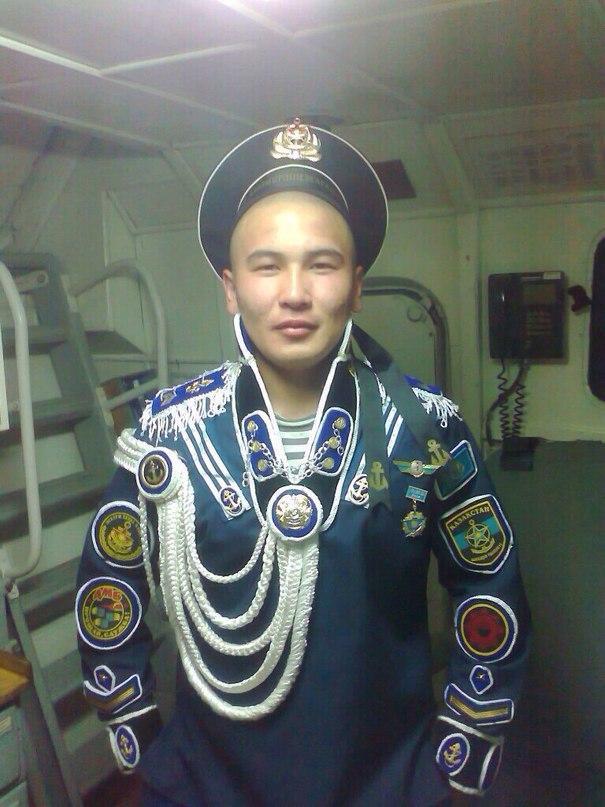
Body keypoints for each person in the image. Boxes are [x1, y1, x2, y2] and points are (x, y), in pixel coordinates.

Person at [76, 119, 530, 806]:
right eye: (266, 266)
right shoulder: (168, 436)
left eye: (321, 264)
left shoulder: (424, 428)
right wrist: (137, 726)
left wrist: (463, 735)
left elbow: (488, 582)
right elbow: (110, 585)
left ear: (356, 284)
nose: (294, 292)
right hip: (205, 785)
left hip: (386, 783)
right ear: (231, 287)